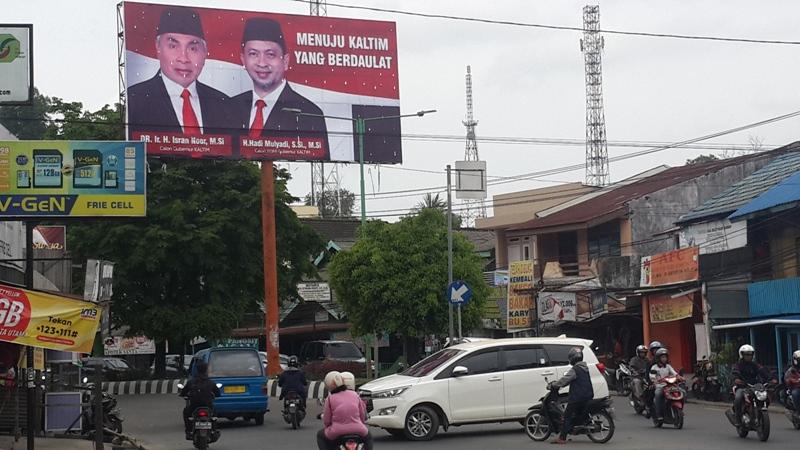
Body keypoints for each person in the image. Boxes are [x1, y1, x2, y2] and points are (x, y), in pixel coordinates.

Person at [127, 6, 234, 137]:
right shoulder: (135, 99)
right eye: (173, 46)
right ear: (158, 47)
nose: (183, 58)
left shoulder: (224, 104)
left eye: (193, 48)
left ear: (205, 52)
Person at [232, 17, 329, 158]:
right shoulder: (229, 108)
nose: (262, 63)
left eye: (270, 54)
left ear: (285, 61)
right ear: (243, 59)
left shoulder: (308, 114)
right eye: (253, 54)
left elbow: (318, 160)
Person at [548, 347, 594, 445]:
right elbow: (573, 380)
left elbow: (565, 379)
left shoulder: (575, 369)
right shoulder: (584, 368)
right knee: (577, 413)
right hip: (588, 394)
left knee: (567, 416)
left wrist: (555, 385)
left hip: (578, 397)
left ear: (572, 358)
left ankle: (562, 438)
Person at [317, 371, 373, 450]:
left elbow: (327, 421)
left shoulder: (330, 398)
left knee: (320, 435)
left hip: (336, 431)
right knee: (368, 437)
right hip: (358, 429)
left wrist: (329, 426)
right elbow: (362, 416)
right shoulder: (355, 395)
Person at [732, 344, 777, 427]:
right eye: (747, 354)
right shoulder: (737, 365)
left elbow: (763, 371)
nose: (749, 356)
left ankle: (758, 412)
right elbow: (735, 373)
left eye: (750, 354)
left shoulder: (755, 365)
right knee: (738, 398)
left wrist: (771, 379)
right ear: (742, 355)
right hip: (742, 386)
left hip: (754, 386)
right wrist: (737, 379)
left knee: (765, 395)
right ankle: (738, 419)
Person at [180, 361, 220, 440]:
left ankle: (188, 431)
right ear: (206, 370)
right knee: (214, 414)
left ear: (197, 370)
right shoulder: (211, 382)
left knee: (186, 412)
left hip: (194, 407)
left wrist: (183, 395)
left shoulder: (191, 382)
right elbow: (218, 393)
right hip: (208, 406)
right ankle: (214, 430)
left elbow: (183, 392)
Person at [649, 348, 680, 423]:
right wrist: (654, 380)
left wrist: (679, 377)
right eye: (662, 357)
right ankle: (659, 414)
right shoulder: (654, 367)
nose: (664, 359)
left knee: (681, 391)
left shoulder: (668, 366)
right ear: (658, 358)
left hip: (669, 386)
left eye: (665, 357)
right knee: (658, 394)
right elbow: (652, 376)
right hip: (659, 386)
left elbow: (674, 373)